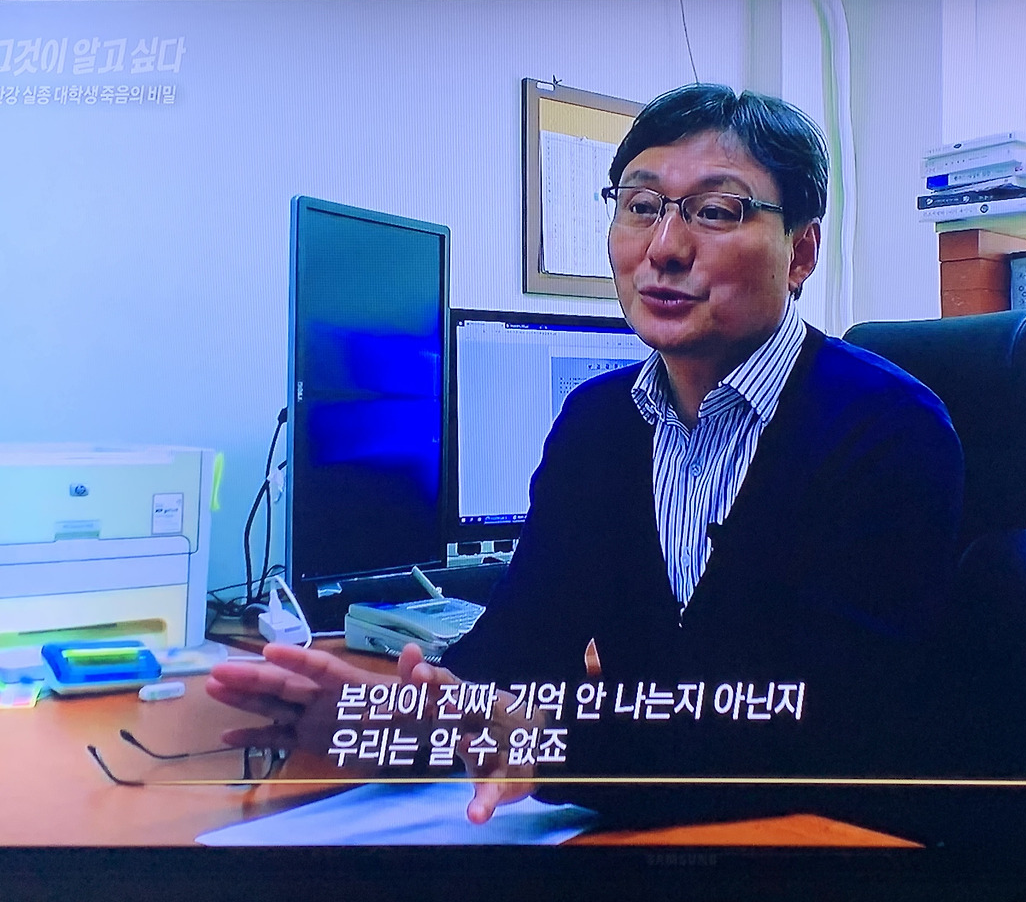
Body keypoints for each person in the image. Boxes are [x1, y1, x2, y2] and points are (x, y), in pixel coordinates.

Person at [208, 84, 964, 832]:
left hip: (820, 846)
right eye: (640, 205)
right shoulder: (598, 424)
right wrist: (408, 717)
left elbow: (824, 723)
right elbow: (519, 647)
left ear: (800, 252)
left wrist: (547, 741)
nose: (663, 248)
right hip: (637, 836)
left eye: (714, 211)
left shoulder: (888, 431)